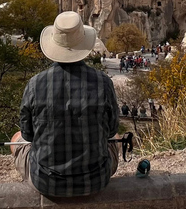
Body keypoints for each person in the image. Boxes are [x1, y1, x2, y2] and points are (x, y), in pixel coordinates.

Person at [11, 11, 119, 198]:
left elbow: (28, 135)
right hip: (96, 181)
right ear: (84, 43)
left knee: (16, 138)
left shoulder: (35, 84)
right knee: (116, 136)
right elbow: (111, 131)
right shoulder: (103, 82)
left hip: (46, 182)